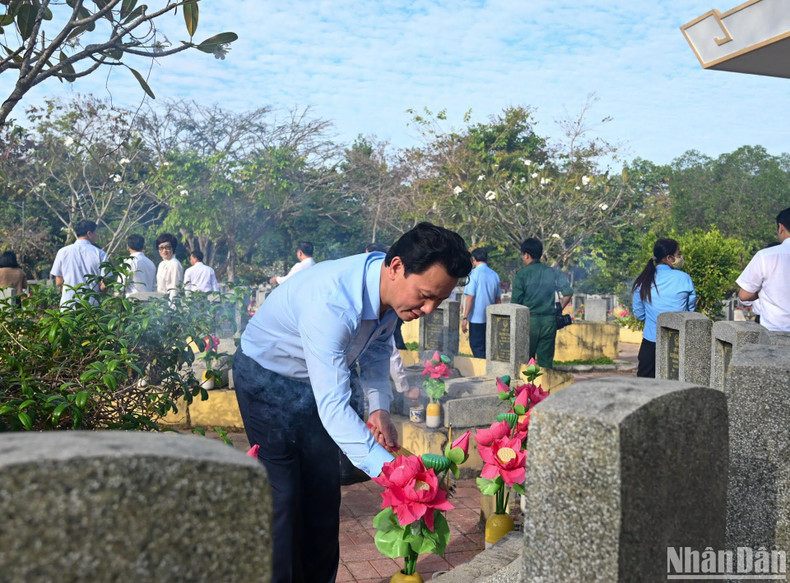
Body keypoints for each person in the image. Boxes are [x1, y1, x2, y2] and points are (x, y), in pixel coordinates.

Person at [234, 222, 472, 583]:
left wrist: (378, 408)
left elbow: (376, 349)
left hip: (312, 381)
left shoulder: (390, 295)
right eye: (425, 296)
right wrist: (393, 474)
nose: (427, 309)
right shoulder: (333, 304)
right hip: (265, 379)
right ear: (396, 267)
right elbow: (333, 408)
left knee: (323, 490)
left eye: (438, 301)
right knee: (282, 495)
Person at [632, 238, 696, 378]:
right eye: (678, 254)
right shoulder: (684, 278)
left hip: (650, 342)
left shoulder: (643, 279)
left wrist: (654, 318)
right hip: (678, 341)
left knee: (645, 384)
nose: (680, 258)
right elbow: (690, 310)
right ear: (669, 258)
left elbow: (639, 313)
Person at [512, 238, 573, 369]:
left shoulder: (521, 275)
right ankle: (545, 382)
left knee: (525, 363)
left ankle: (529, 383)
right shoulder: (553, 272)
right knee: (546, 364)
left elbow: (514, 304)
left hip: (528, 323)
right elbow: (568, 293)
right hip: (549, 323)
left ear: (526, 255)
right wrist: (558, 310)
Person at [736, 207, 790, 332]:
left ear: (781, 227)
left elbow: (744, 295)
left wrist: (764, 291)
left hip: (775, 332)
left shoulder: (766, 256)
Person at [50, 220, 108, 308]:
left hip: (69, 304)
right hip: (91, 306)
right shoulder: (100, 253)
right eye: (96, 232)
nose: (97, 235)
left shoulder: (63, 252)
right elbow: (105, 285)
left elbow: (59, 282)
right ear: (89, 233)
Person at [462, 248, 502, 358]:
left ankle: (481, 368)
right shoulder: (494, 275)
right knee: (488, 348)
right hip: (490, 318)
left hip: (476, 319)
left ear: (473, 259)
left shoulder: (473, 274)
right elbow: (498, 300)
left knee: (477, 347)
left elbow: (470, 297)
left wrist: (465, 317)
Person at [155, 233, 183, 300]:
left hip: (171, 303)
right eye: (161, 248)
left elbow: (175, 289)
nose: (164, 250)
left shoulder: (175, 264)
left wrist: (171, 305)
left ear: (173, 248)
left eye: (167, 247)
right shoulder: (161, 264)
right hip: (161, 302)